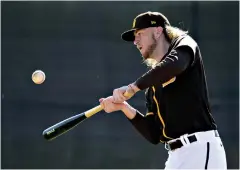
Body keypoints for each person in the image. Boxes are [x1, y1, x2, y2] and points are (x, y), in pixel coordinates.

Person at [99, 11, 227, 169]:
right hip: (176, 156)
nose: (135, 41)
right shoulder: (152, 86)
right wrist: (123, 107)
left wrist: (132, 88)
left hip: (199, 149)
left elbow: (174, 65)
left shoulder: (185, 44)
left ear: (158, 31)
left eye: (140, 33)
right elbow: (154, 134)